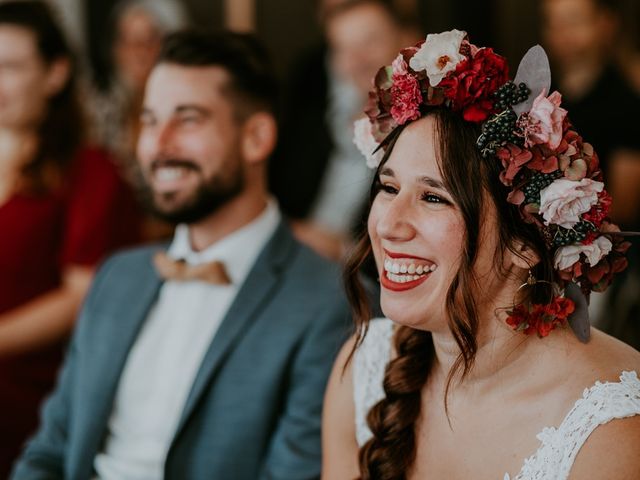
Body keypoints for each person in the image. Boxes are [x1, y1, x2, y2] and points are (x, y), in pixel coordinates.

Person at [12, 30, 350, 480]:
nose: (159, 143)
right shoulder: (116, 277)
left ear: (256, 137)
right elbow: (49, 451)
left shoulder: (330, 302)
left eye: (187, 119)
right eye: (150, 120)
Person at [322, 30, 640, 479]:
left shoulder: (608, 432)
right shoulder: (362, 369)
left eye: (434, 198)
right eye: (389, 187)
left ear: (525, 244)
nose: (389, 224)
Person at [0, 1, 140, 475]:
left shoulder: (89, 172)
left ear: (55, 74)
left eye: (12, 66)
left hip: (33, 393)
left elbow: (82, 297)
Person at [270, 0, 417, 260]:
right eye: (343, 50)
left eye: (370, 42)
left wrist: (340, 250)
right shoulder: (325, 114)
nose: (357, 61)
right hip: (293, 253)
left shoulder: (423, 128)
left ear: (406, 39)